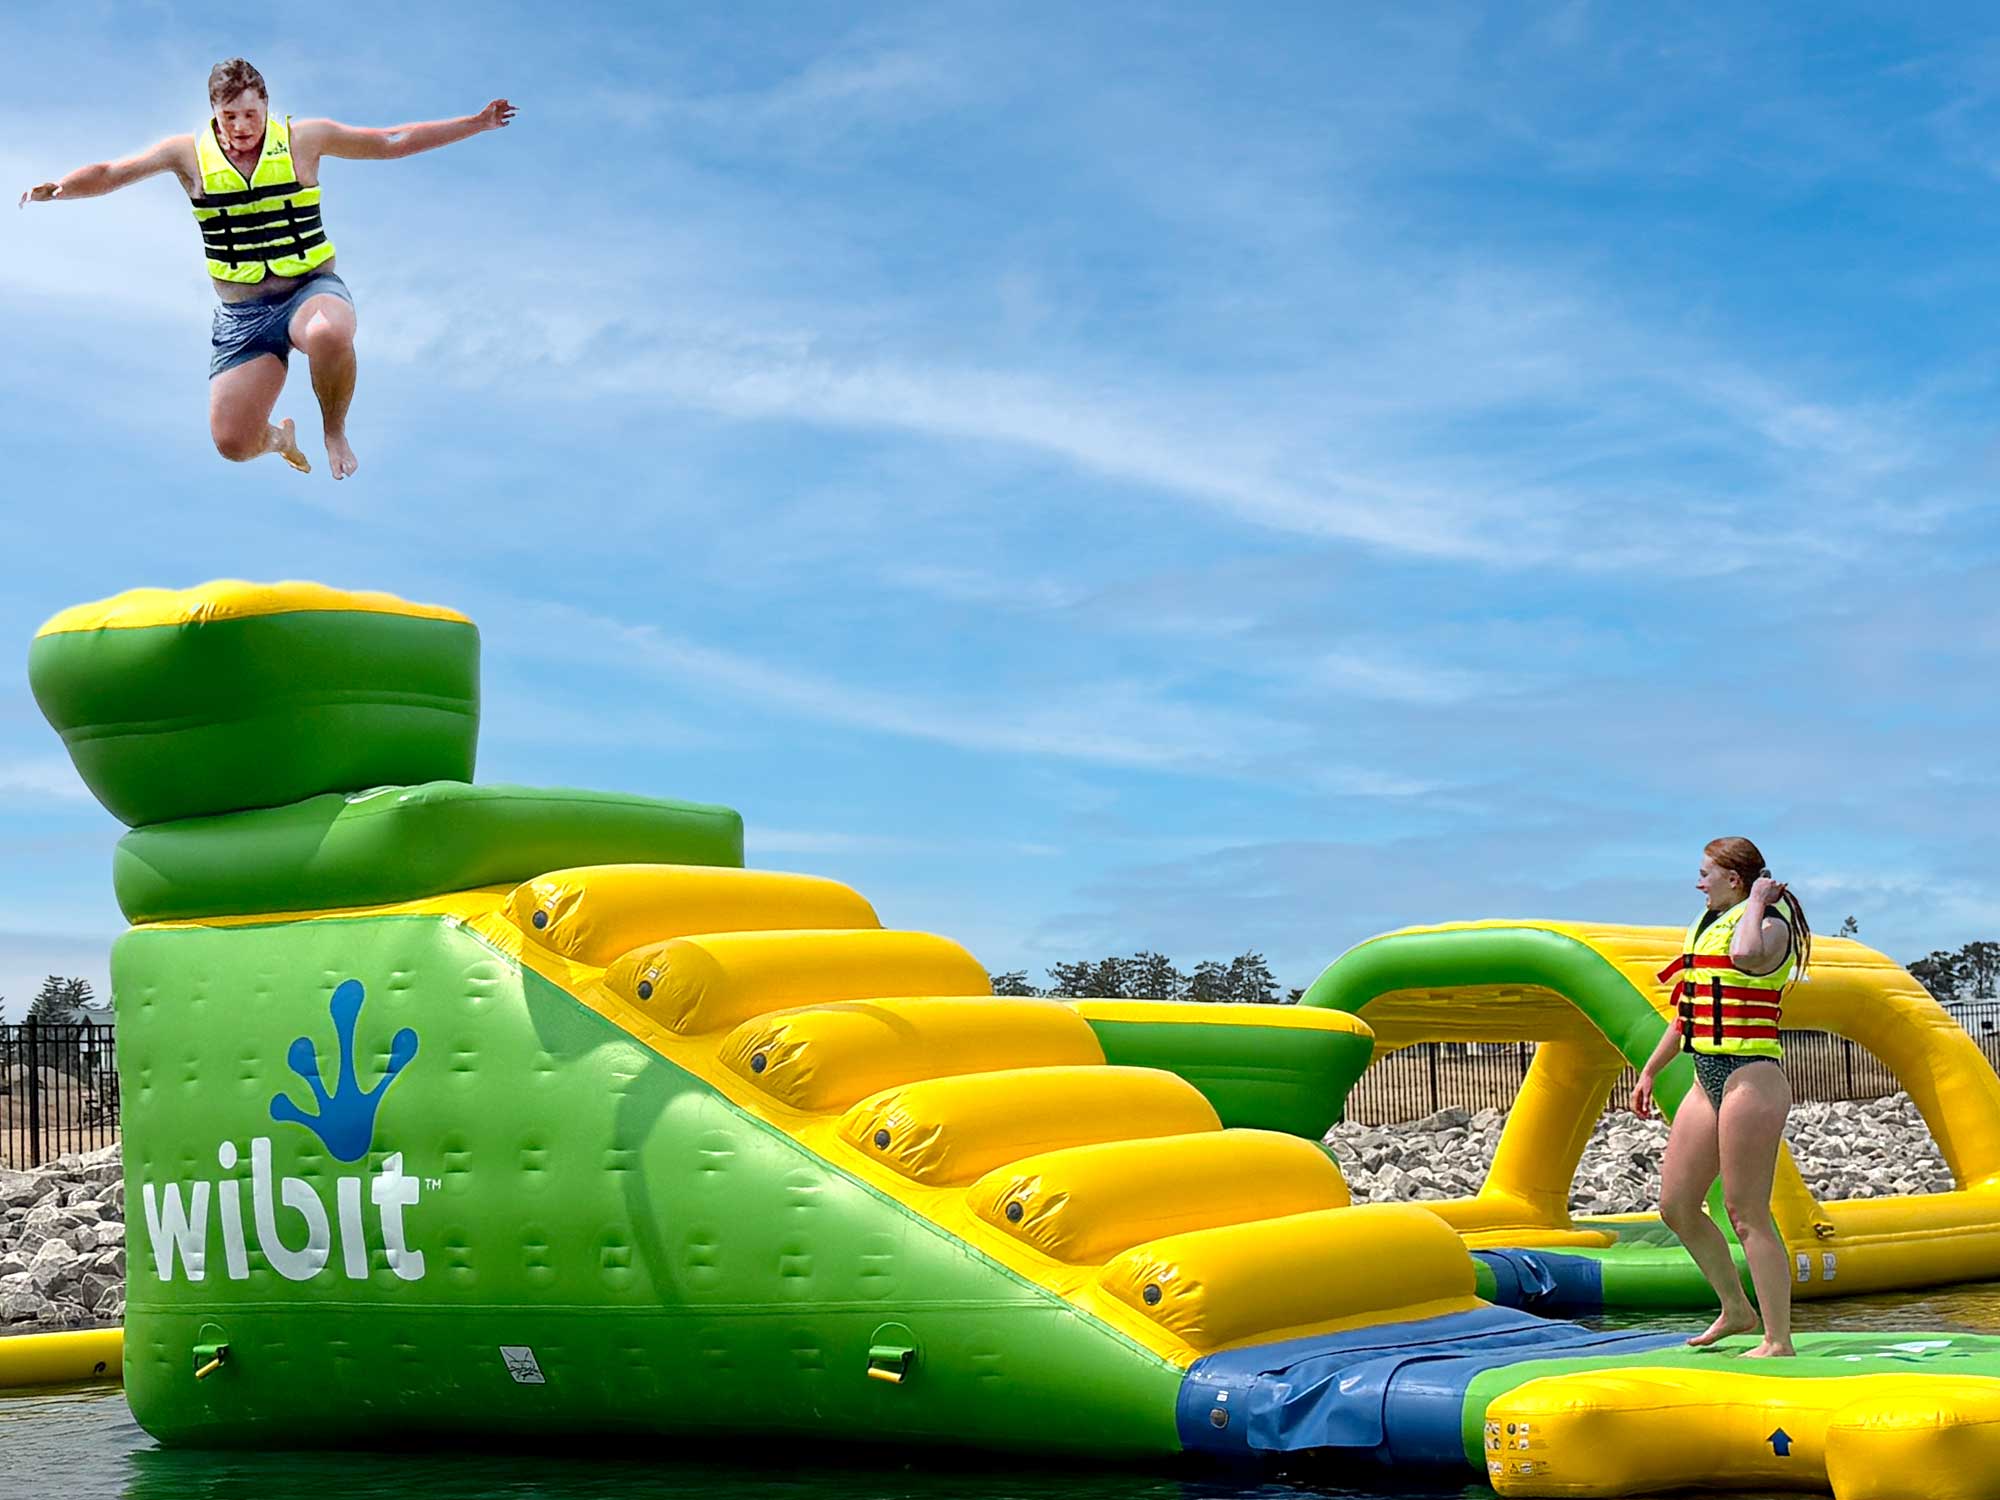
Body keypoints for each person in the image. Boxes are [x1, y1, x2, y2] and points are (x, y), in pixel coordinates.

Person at [18, 58, 515, 479]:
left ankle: (334, 430)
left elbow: (389, 140)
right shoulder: (186, 155)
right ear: (214, 113)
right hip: (244, 315)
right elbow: (112, 173)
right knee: (233, 443)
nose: (241, 126)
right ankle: (280, 440)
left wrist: (475, 123)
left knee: (327, 332)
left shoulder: (304, 139)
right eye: (229, 115)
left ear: (267, 108)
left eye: (251, 113)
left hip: (308, 290)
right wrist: (62, 188)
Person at [1631, 836, 1812, 1358]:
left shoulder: (1769, 928)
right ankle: (1736, 1308)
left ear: (1734, 880)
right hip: (1704, 1075)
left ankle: (1778, 1339)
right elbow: (1689, 1010)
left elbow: (1745, 955)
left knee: (1745, 1210)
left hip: (1750, 1077)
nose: (1698, 882)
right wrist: (1649, 1070)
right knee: (1677, 1205)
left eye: (1705, 873)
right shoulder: (1706, 926)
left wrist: (1758, 902)